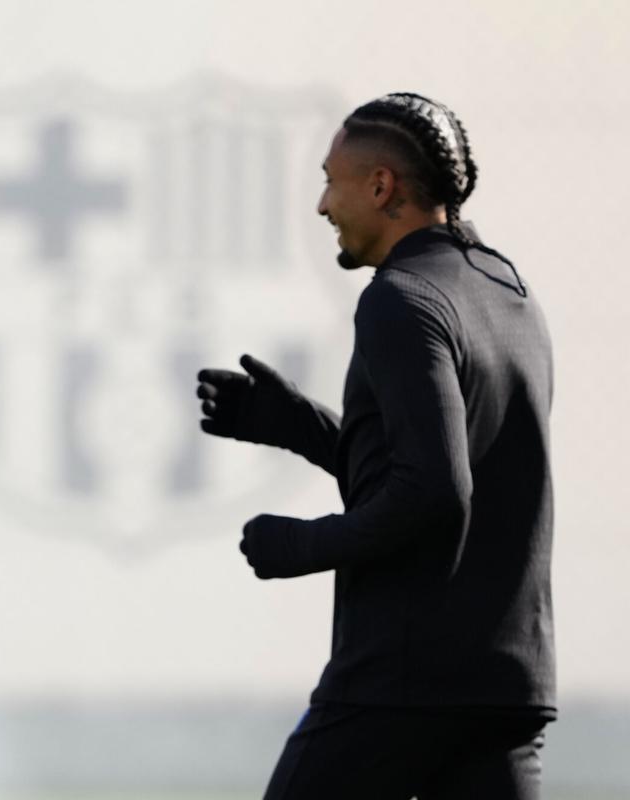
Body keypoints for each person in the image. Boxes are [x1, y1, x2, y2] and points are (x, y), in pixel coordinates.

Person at [197, 93, 554, 799]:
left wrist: (299, 546)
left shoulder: (400, 298)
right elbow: (451, 466)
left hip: (400, 685)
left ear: (381, 186)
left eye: (331, 181)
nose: (323, 205)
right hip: (505, 689)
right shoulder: (509, 291)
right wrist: (301, 426)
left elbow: (435, 494)